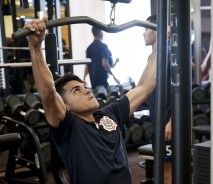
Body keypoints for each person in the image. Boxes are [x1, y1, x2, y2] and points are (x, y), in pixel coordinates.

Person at [24, 17, 156, 184]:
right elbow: (48, 93)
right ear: (65, 106)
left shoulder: (110, 112)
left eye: (84, 86)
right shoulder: (68, 127)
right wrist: (35, 47)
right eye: (76, 90)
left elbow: (145, 86)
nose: (86, 90)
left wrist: (160, 43)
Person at [141, 14, 172, 183]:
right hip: (157, 122)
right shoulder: (152, 57)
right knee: (160, 167)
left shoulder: (168, 54)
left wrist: (173, 121)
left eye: (146, 29)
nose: (143, 33)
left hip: (168, 122)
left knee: (168, 170)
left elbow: (181, 90)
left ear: (156, 31)